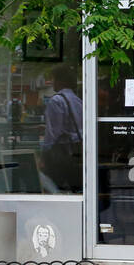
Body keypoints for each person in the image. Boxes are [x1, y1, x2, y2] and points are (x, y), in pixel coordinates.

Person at [39, 64, 84, 192]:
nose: (52, 82)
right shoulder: (77, 100)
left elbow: (53, 134)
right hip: (75, 150)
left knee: (51, 185)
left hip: (60, 153)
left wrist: (43, 156)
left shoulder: (56, 101)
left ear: (60, 81)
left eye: (53, 78)